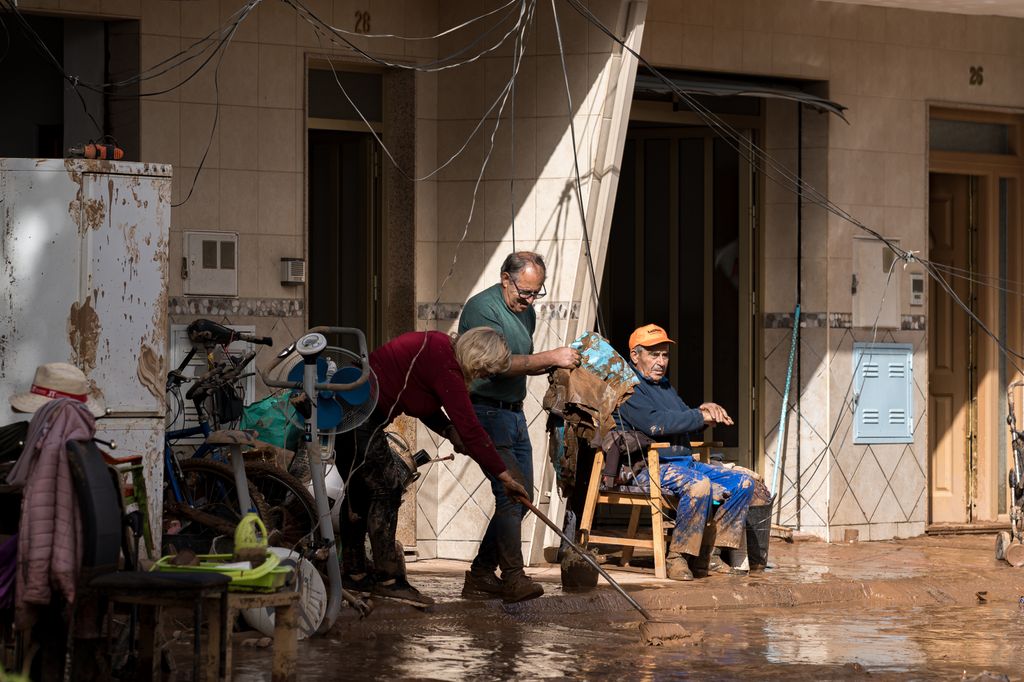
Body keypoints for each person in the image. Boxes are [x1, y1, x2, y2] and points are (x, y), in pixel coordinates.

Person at [339, 327, 529, 607]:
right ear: (478, 358)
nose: (484, 377)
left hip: (352, 411)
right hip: (359, 414)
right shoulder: (447, 365)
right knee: (386, 489)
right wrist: (504, 476)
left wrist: (449, 430)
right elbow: (472, 430)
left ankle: (354, 573)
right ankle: (388, 580)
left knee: (360, 493)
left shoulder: (437, 347)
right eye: (486, 370)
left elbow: (421, 403)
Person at [458, 251, 580, 603]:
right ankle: (513, 577)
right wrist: (550, 357)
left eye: (535, 293)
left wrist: (555, 365)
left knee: (521, 498)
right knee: (510, 495)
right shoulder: (483, 309)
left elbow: (522, 360)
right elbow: (494, 363)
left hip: (512, 413)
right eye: (524, 292)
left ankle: (481, 574)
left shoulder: (524, 311)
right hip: (487, 412)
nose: (528, 300)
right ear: (505, 279)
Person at [617, 324, 755, 581]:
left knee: (743, 483)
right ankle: (678, 557)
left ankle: (710, 554)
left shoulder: (665, 387)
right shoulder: (629, 389)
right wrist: (697, 415)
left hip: (682, 464)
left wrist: (705, 414)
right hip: (647, 468)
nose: (661, 361)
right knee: (699, 485)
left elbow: (681, 418)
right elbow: (656, 424)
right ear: (635, 356)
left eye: (665, 355)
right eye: (653, 354)